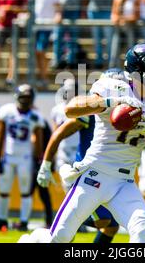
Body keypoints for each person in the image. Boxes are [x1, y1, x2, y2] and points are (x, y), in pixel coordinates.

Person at [23, 42, 145, 243]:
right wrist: (109, 103)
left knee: (143, 229)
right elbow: (71, 109)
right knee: (59, 238)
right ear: (138, 69)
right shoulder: (113, 87)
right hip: (94, 175)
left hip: (125, 181)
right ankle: (31, 240)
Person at [34, 70, 123, 243]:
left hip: (109, 173)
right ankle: (44, 233)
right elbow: (58, 134)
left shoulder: (124, 110)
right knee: (102, 222)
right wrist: (45, 165)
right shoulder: (91, 112)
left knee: (111, 227)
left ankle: (65, 220)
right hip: (88, 172)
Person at [0, 84, 45, 231]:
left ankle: (23, 221)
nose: (25, 100)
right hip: (9, 157)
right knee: (4, 190)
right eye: (23, 97)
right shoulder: (7, 111)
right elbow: (0, 136)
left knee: (25, 192)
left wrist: (38, 160)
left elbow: (39, 141)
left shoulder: (36, 116)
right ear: (17, 96)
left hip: (25, 158)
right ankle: (2, 219)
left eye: (28, 97)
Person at [29, 0, 61, 89]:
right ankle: (42, 76)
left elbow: (58, 6)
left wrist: (58, 16)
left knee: (41, 51)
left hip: (47, 25)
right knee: (38, 52)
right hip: (35, 26)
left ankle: (44, 77)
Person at [53, 0, 85, 69]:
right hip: (61, 11)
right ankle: (57, 60)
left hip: (75, 10)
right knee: (58, 36)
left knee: (73, 37)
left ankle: (71, 61)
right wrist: (57, 12)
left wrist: (82, 11)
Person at [110, 0, 140, 68]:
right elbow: (113, 14)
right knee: (114, 50)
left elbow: (136, 16)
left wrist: (125, 19)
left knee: (131, 50)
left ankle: (131, 69)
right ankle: (112, 69)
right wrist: (116, 18)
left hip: (129, 27)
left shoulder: (134, 0)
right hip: (118, 27)